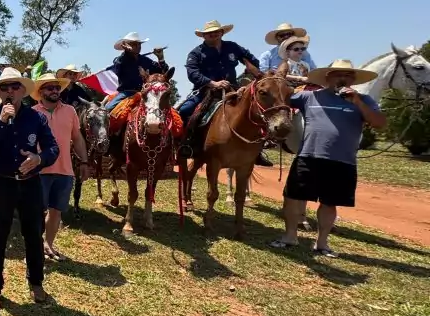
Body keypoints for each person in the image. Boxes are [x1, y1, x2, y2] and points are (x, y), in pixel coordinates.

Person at [270, 60, 385, 256]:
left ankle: (322, 243)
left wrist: (357, 101)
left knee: (330, 203)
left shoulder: (364, 100)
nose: (343, 79)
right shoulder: (309, 97)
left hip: (343, 161)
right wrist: (275, 78)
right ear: (327, 78)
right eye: (337, 74)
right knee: (292, 198)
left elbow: (379, 123)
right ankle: (289, 236)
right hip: (309, 156)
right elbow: (280, 95)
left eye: (348, 75)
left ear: (354, 80)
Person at [0, 67, 59, 311]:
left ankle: (36, 283)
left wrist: (39, 159)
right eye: (4, 87)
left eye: (14, 86)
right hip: (0, 183)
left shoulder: (36, 118)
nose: (9, 91)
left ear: (23, 90)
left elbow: (53, 148)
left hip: (30, 184)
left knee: (33, 235)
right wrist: (1, 122)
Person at [177, 20, 265, 161]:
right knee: (185, 111)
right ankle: (188, 144)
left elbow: (253, 62)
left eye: (216, 32)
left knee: (256, 109)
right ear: (203, 36)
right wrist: (212, 83)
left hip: (234, 89)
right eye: (209, 33)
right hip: (205, 91)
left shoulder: (233, 47)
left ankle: (258, 149)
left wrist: (245, 81)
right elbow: (192, 72)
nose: (213, 35)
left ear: (222, 33)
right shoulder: (196, 53)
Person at [32, 74, 90, 260]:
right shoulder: (32, 113)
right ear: (41, 92)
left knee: (56, 211)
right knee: (36, 213)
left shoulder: (70, 111)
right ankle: (35, 249)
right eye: (50, 88)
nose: (55, 91)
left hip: (65, 170)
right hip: (39, 170)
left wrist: (84, 161)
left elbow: (77, 137)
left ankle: (48, 245)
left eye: (57, 88)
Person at [106, 32, 169, 111]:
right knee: (107, 109)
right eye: (134, 44)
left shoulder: (145, 60)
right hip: (126, 94)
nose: (138, 46)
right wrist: (127, 54)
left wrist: (161, 58)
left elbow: (163, 73)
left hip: (147, 93)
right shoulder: (120, 60)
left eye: (139, 44)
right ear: (126, 46)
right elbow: (117, 68)